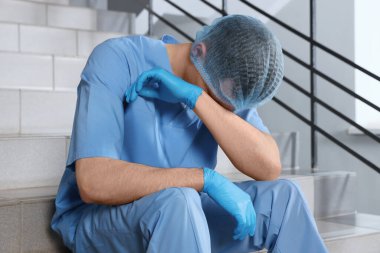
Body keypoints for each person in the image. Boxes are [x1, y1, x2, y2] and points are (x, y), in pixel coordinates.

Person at [51, 15, 328, 253]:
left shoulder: (224, 85)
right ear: (199, 51)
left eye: (228, 108)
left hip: (187, 214)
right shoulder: (117, 59)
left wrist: (196, 98)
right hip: (103, 219)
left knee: (284, 197)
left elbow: (269, 167)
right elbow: (94, 182)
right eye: (214, 97)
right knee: (179, 201)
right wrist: (204, 179)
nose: (222, 109)